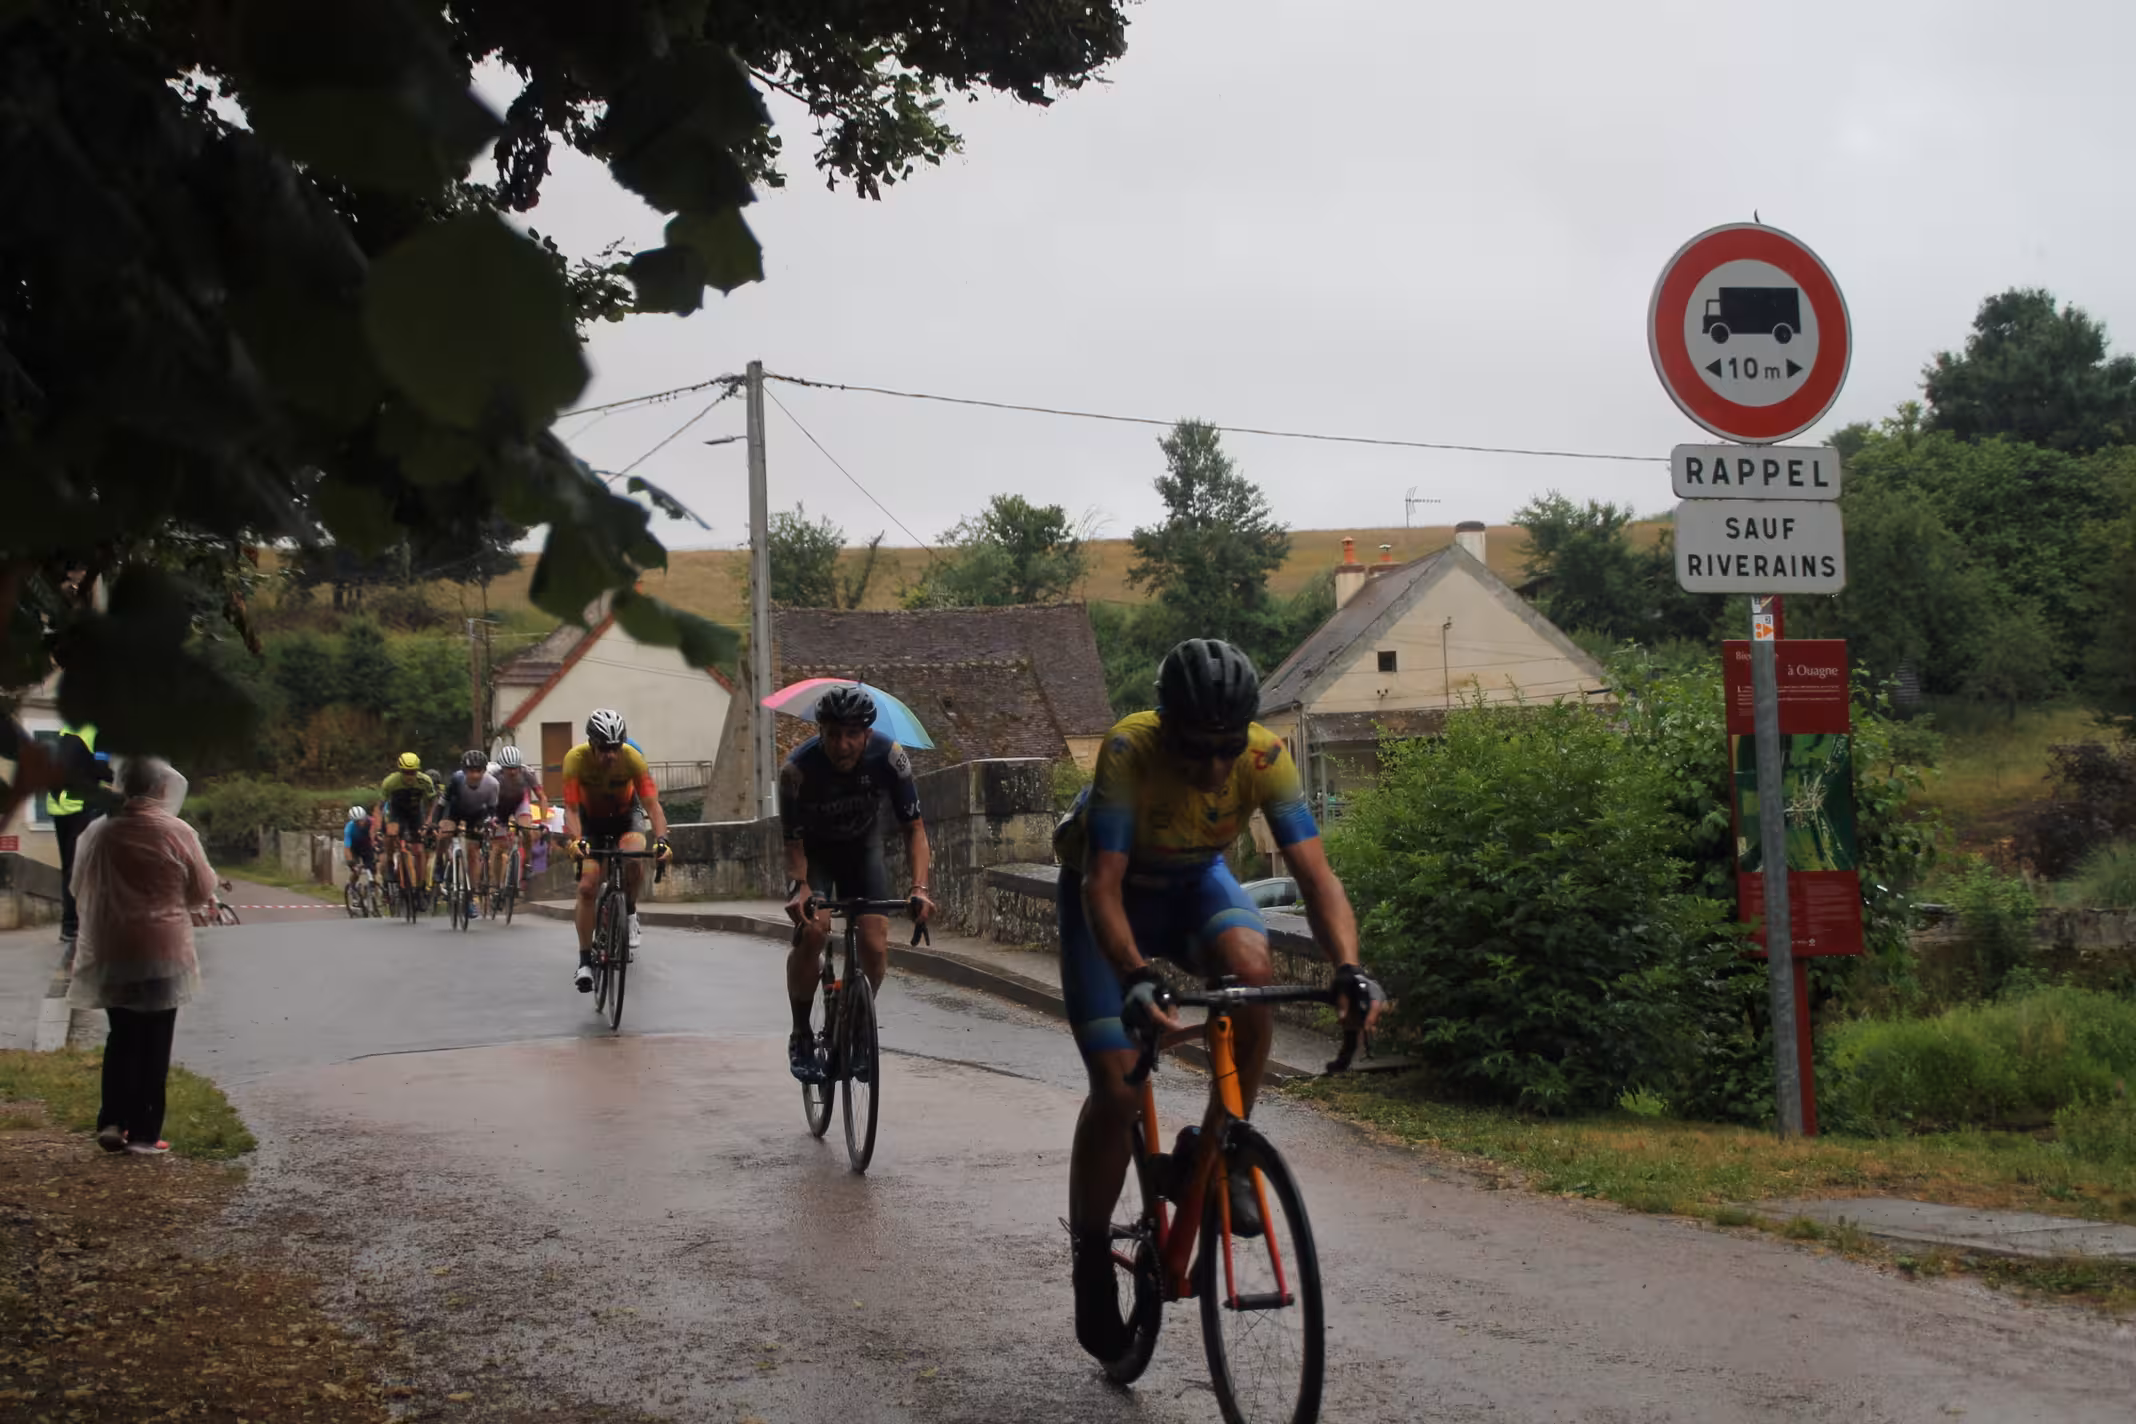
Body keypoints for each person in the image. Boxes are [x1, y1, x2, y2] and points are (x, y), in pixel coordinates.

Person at [1052, 638, 1384, 1363]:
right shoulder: (1129, 751)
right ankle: (1090, 1254)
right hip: (1109, 898)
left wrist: (1350, 968)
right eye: (1196, 750)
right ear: (1167, 726)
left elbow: (1318, 879)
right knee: (1117, 1085)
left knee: (1251, 975)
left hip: (1194, 884)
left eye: (1226, 749)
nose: (1212, 770)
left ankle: (1219, 1147)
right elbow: (1101, 886)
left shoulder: (1265, 758)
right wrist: (1135, 973)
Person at [776, 685, 934, 1082]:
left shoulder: (890, 757)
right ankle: (801, 1033)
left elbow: (914, 829)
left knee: (875, 945)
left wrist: (919, 888)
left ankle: (857, 1024)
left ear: (867, 733)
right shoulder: (797, 770)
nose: (842, 745)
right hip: (815, 855)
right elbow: (792, 844)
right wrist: (801, 887)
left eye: (852, 735)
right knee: (813, 931)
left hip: (862, 851)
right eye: (833, 735)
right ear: (820, 732)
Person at [67, 756, 217, 1156]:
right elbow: (202, 889)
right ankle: (145, 1133)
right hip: (162, 951)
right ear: (162, 788)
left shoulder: (99, 832)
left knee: (121, 1035)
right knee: (155, 1039)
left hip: (112, 948)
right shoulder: (176, 832)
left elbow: (77, 884)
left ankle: (112, 1121)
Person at [561, 709, 671, 991]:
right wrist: (577, 840)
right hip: (590, 822)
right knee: (587, 887)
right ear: (591, 744)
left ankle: (630, 913)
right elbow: (571, 809)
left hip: (626, 817)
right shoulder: (575, 760)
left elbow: (653, 806)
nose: (610, 755)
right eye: (604, 748)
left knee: (633, 859)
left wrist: (662, 841)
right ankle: (584, 961)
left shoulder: (633, 758)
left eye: (615, 748)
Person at [49, 719, 114, 952]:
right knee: (86, 866)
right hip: (79, 805)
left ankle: (69, 926)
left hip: (58, 805)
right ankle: (82, 924)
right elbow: (102, 770)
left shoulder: (67, 729)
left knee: (69, 866)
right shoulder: (97, 732)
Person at [430, 750, 500, 916]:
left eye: (478, 771)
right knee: (445, 833)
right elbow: (442, 803)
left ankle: (470, 898)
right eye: (470, 771)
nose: (474, 775)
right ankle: (439, 863)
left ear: (484, 770)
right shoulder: (457, 779)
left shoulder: (492, 784)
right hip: (454, 811)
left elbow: (492, 810)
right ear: (464, 770)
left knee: (473, 853)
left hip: (476, 815)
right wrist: (435, 822)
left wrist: (488, 822)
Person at [489, 746, 547, 897]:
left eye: (516, 768)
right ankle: (496, 885)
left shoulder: (527, 773)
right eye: (509, 769)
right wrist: (489, 818)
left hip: (520, 803)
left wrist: (544, 822)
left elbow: (542, 797)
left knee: (527, 831)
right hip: (499, 806)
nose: (513, 772)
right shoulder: (493, 775)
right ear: (502, 768)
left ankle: (527, 864)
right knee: (498, 847)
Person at [378, 753, 438, 897]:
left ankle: (421, 887)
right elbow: (380, 806)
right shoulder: (390, 782)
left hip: (415, 813)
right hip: (396, 811)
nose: (409, 776)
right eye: (406, 772)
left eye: (412, 772)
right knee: (391, 833)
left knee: (419, 850)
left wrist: (428, 823)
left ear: (417, 771)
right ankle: (390, 863)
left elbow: (433, 803)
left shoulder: (425, 781)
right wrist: (380, 827)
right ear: (400, 771)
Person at [343, 803, 378, 887]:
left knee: (372, 870)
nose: (361, 823)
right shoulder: (349, 829)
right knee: (357, 871)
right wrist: (351, 862)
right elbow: (347, 848)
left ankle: (373, 889)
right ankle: (352, 885)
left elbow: (378, 834)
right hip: (354, 848)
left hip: (367, 847)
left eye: (362, 820)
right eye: (357, 821)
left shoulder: (372, 821)